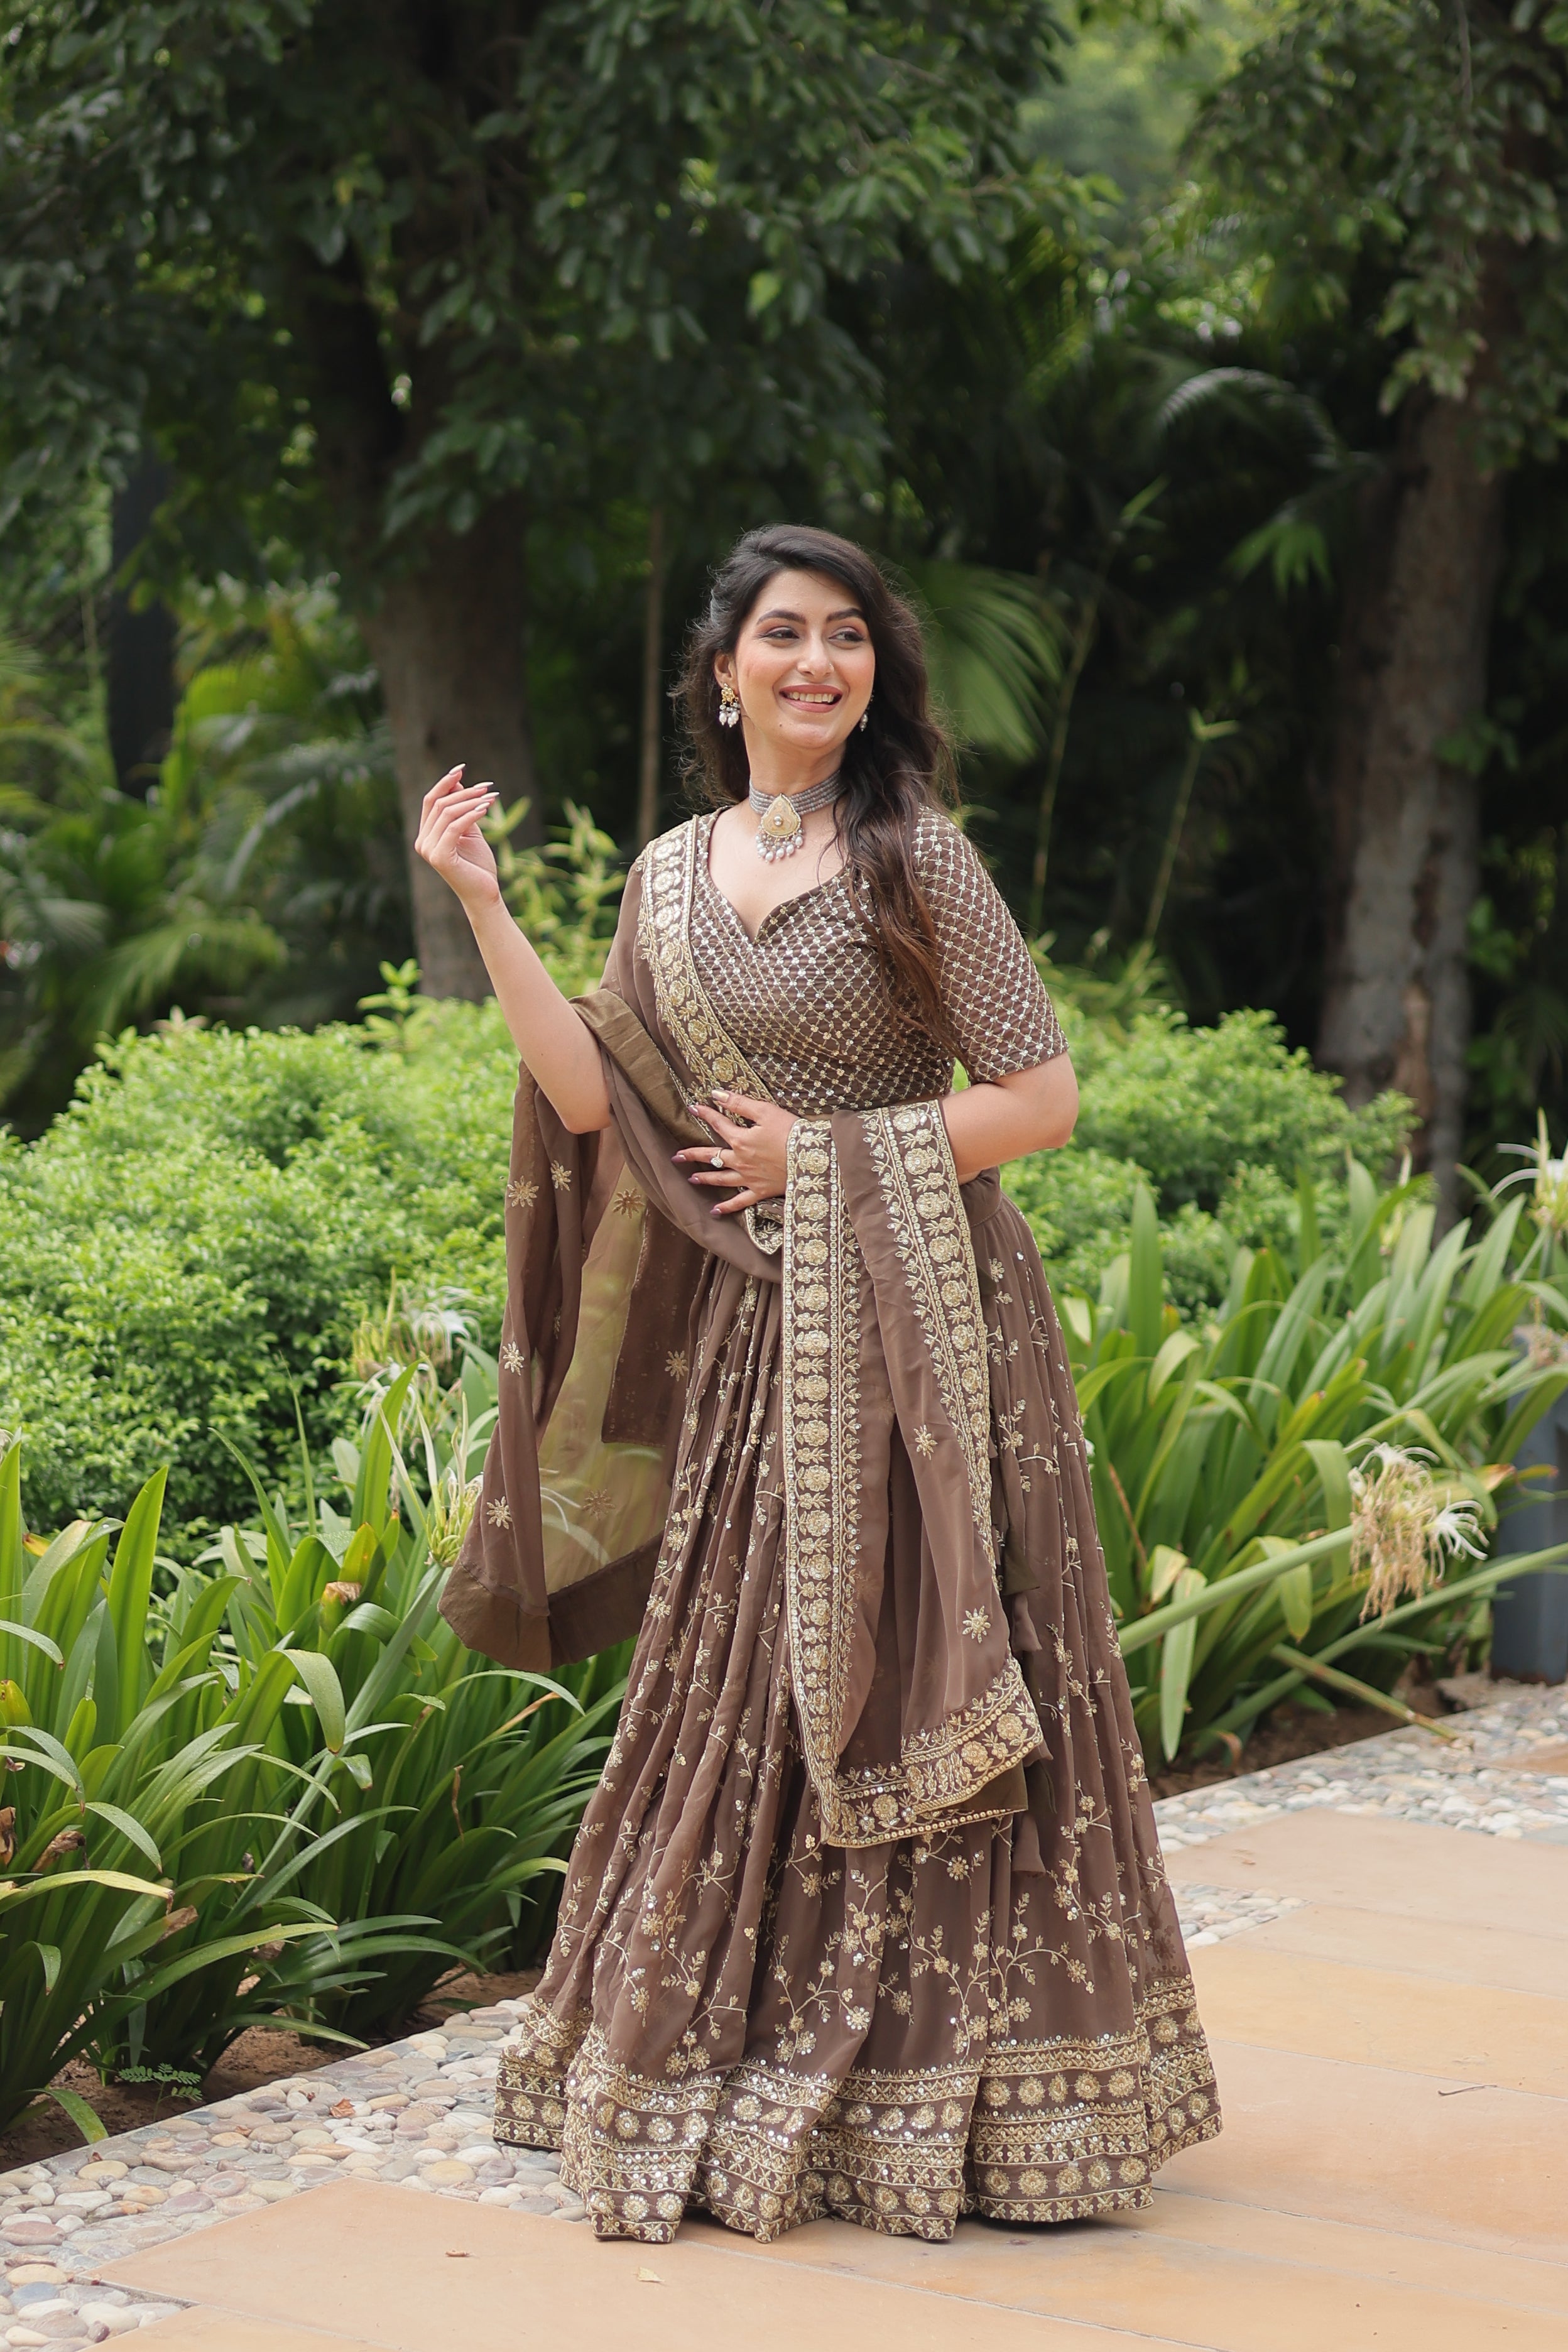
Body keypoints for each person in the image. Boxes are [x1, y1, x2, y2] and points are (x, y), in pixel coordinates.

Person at [415, 523, 1219, 2247]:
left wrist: (827, 1154)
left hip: (935, 1345)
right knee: (740, 1695)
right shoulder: (666, 876)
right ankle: (747, 2049)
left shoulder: (917, 860)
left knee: (922, 1676)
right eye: (783, 635)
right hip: (751, 1348)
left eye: (847, 638)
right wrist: (482, 903)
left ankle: (978, 2094)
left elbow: (1044, 1098)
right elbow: (588, 1102)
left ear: (875, 676)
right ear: (724, 673)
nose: (816, 664)